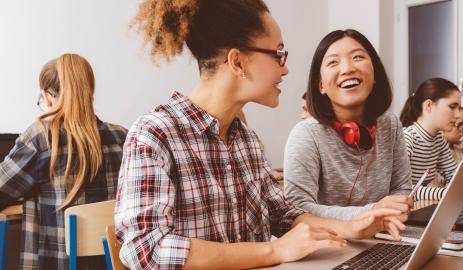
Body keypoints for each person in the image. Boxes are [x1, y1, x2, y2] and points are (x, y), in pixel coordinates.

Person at [115, 2, 403, 269]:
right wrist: (273, 251)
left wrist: (351, 227)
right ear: (238, 62)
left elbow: (282, 214)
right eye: (279, 54)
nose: (286, 67)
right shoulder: (155, 134)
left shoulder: (247, 142)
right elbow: (146, 248)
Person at [0, 54, 127, 269]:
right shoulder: (122, 137)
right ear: (90, 92)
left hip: (58, 263)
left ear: (48, 97)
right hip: (114, 263)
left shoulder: (41, 138)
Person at [283, 29, 412, 228]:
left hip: (384, 238)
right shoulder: (306, 134)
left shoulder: (390, 125)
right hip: (328, 246)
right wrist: (371, 211)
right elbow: (296, 208)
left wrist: (395, 209)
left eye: (358, 57)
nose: (347, 68)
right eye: (333, 62)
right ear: (321, 86)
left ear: (375, 74)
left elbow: (401, 188)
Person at [400, 78, 463, 201]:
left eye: (459, 108)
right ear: (429, 106)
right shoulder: (407, 138)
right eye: (452, 106)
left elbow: (454, 175)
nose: (458, 114)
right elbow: (402, 191)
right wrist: (445, 193)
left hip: (419, 207)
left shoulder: (439, 140)